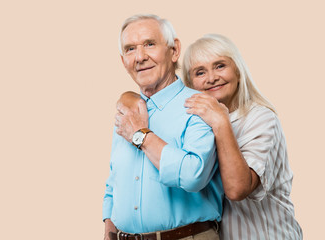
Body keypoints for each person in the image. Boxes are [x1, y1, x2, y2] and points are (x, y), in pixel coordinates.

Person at [117, 34, 303, 239]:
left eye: (220, 66)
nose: (211, 78)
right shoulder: (196, 122)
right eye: (200, 72)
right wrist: (130, 97)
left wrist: (220, 121)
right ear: (189, 84)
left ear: (238, 71)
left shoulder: (261, 119)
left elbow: (237, 189)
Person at [103, 15, 224, 240]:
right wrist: (109, 229)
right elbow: (114, 179)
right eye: (130, 49)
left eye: (149, 44)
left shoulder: (199, 105)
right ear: (123, 61)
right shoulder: (126, 110)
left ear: (174, 50)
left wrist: (141, 135)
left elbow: (193, 176)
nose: (140, 57)